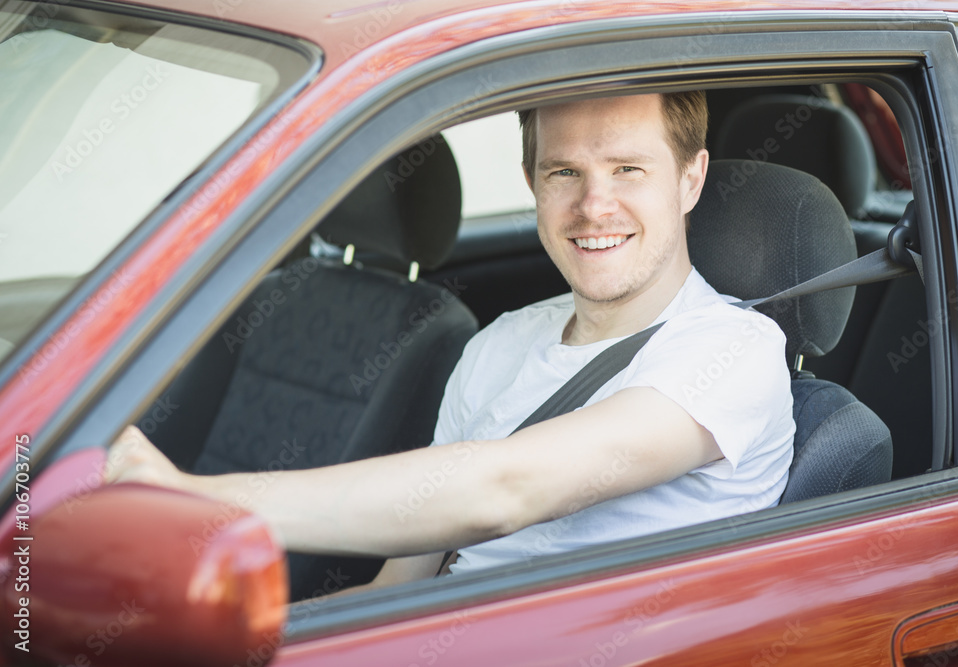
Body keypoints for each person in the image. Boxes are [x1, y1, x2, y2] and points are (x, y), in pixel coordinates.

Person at [105, 91, 794, 591]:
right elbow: (401, 590)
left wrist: (193, 500)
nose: (594, 205)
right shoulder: (498, 344)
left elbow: (503, 488)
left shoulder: (735, 352)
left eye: (628, 169)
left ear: (691, 178)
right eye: (564, 173)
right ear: (533, 183)